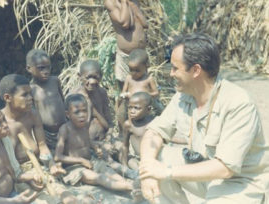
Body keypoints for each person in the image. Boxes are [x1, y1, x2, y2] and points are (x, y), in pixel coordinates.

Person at [139, 33, 269, 204]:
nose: (171, 74)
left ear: (196, 71)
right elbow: (154, 132)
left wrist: (167, 171)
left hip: (239, 182)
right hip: (205, 173)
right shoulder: (183, 96)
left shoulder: (238, 103)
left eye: (175, 68)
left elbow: (225, 168)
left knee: (164, 170)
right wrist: (148, 169)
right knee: (159, 158)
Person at [0, 74, 77, 203]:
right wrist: (26, 178)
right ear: (8, 98)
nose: (30, 98)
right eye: (24, 95)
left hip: (39, 168)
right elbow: (2, 164)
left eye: (30, 94)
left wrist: (51, 165)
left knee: (68, 198)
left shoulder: (32, 114)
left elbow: (42, 146)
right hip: (18, 175)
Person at [55, 94, 138, 195]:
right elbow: (58, 157)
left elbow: (87, 140)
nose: (82, 115)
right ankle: (133, 187)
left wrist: (95, 147)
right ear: (68, 114)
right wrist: (81, 161)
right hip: (75, 168)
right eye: (77, 112)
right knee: (100, 178)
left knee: (111, 173)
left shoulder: (84, 125)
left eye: (84, 111)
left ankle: (129, 186)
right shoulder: (65, 129)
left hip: (91, 161)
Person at [26, 49, 67, 151]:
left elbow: (62, 100)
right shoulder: (30, 89)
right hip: (46, 134)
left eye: (48, 67)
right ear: (29, 69)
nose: (46, 71)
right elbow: (32, 114)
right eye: (41, 68)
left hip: (64, 129)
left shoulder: (55, 81)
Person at [104, 0, 148, 89]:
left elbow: (145, 24)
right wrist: (124, 2)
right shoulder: (111, 2)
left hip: (140, 54)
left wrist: (133, 6)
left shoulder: (134, 2)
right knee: (126, 88)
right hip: (126, 55)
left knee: (143, 85)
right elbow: (125, 23)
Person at [121, 92, 154, 170]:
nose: (132, 111)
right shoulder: (129, 125)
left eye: (136, 108)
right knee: (132, 163)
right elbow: (125, 146)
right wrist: (124, 166)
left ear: (148, 109)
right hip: (139, 159)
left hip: (154, 158)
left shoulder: (154, 121)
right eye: (130, 107)